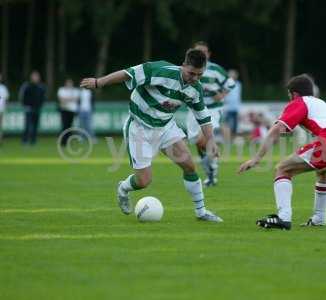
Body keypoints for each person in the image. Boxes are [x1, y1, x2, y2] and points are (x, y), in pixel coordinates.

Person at [80, 48, 222, 222]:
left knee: (189, 166)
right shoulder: (159, 70)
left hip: (165, 128)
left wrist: (211, 140)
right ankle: (123, 188)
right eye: (191, 73)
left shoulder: (195, 89)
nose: (195, 78)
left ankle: (201, 212)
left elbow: (203, 116)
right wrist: (98, 82)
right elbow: (127, 73)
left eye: (199, 75)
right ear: (183, 65)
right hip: (139, 128)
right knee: (144, 181)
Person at [238, 74, 326, 230]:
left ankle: (283, 218)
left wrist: (256, 158)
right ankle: (319, 219)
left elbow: (277, 129)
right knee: (324, 170)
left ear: (294, 94)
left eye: (289, 95)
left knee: (282, 168)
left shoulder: (300, 102)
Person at [185, 41, 235, 187]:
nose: (201, 54)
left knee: (204, 137)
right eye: (198, 51)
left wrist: (222, 94)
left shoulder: (216, 69)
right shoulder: (188, 69)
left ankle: (212, 166)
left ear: (208, 54)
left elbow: (230, 83)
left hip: (212, 109)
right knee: (196, 140)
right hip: (194, 109)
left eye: (203, 52)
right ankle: (210, 169)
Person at [19, 70, 46, 145]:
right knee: (27, 125)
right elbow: (22, 97)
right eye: (34, 76)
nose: (35, 78)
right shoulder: (26, 85)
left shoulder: (41, 87)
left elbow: (43, 97)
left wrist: (41, 105)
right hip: (28, 108)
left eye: (37, 76)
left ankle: (33, 141)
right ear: (31, 77)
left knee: (35, 125)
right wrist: (25, 105)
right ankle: (25, 140)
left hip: (37, 108)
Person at [57, 78, 80, 146]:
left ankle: (68, 141)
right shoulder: (62, 90)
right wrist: (70, 98)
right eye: (68, 83)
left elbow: (76, 99)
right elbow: (61, 100)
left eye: (70, 83)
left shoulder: (75, 91)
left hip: (72, 111)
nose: (69, 84)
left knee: (70, 127)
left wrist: (67, 99)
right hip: (64, 110)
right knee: (64, 126)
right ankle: (62, 141)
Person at [223, 69, 242, 141]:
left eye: (234, 74)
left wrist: (239, 108)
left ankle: (233, 140)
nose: (233, 76)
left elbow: (238, 97)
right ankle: (227, 140)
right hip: (228, 108)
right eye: (231, 74)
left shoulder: (238, 84)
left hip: (236, 108)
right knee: (227, 125)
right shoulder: (225, 84)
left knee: (235, 125)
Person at [0, 73, 9, 145]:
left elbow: (6, 99)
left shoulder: (3, 88)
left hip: (1, 110)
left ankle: (0, 140)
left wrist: (5, 107)